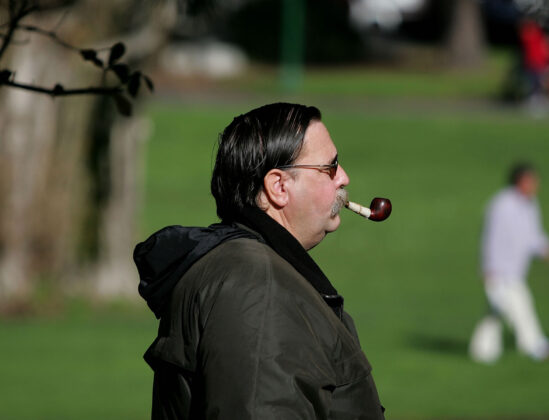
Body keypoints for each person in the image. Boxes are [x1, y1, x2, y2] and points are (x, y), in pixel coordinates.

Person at [133, 103, 385, 418]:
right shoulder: (257, 286)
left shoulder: (250, 270)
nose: (343, 178)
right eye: (330, 167)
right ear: (279, 187)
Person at [469, 163, 549, 363]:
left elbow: (531, 235)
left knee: (496, 311)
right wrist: (488, 267)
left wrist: (545, 248)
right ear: (520, 181)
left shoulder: (530, 205)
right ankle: (534, 346)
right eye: (531, 180)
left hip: (516, 270)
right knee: (519, 306)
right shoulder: (501, 205)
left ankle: (482, 351)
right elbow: (490, 238)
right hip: (499, 270)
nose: (535, 184)